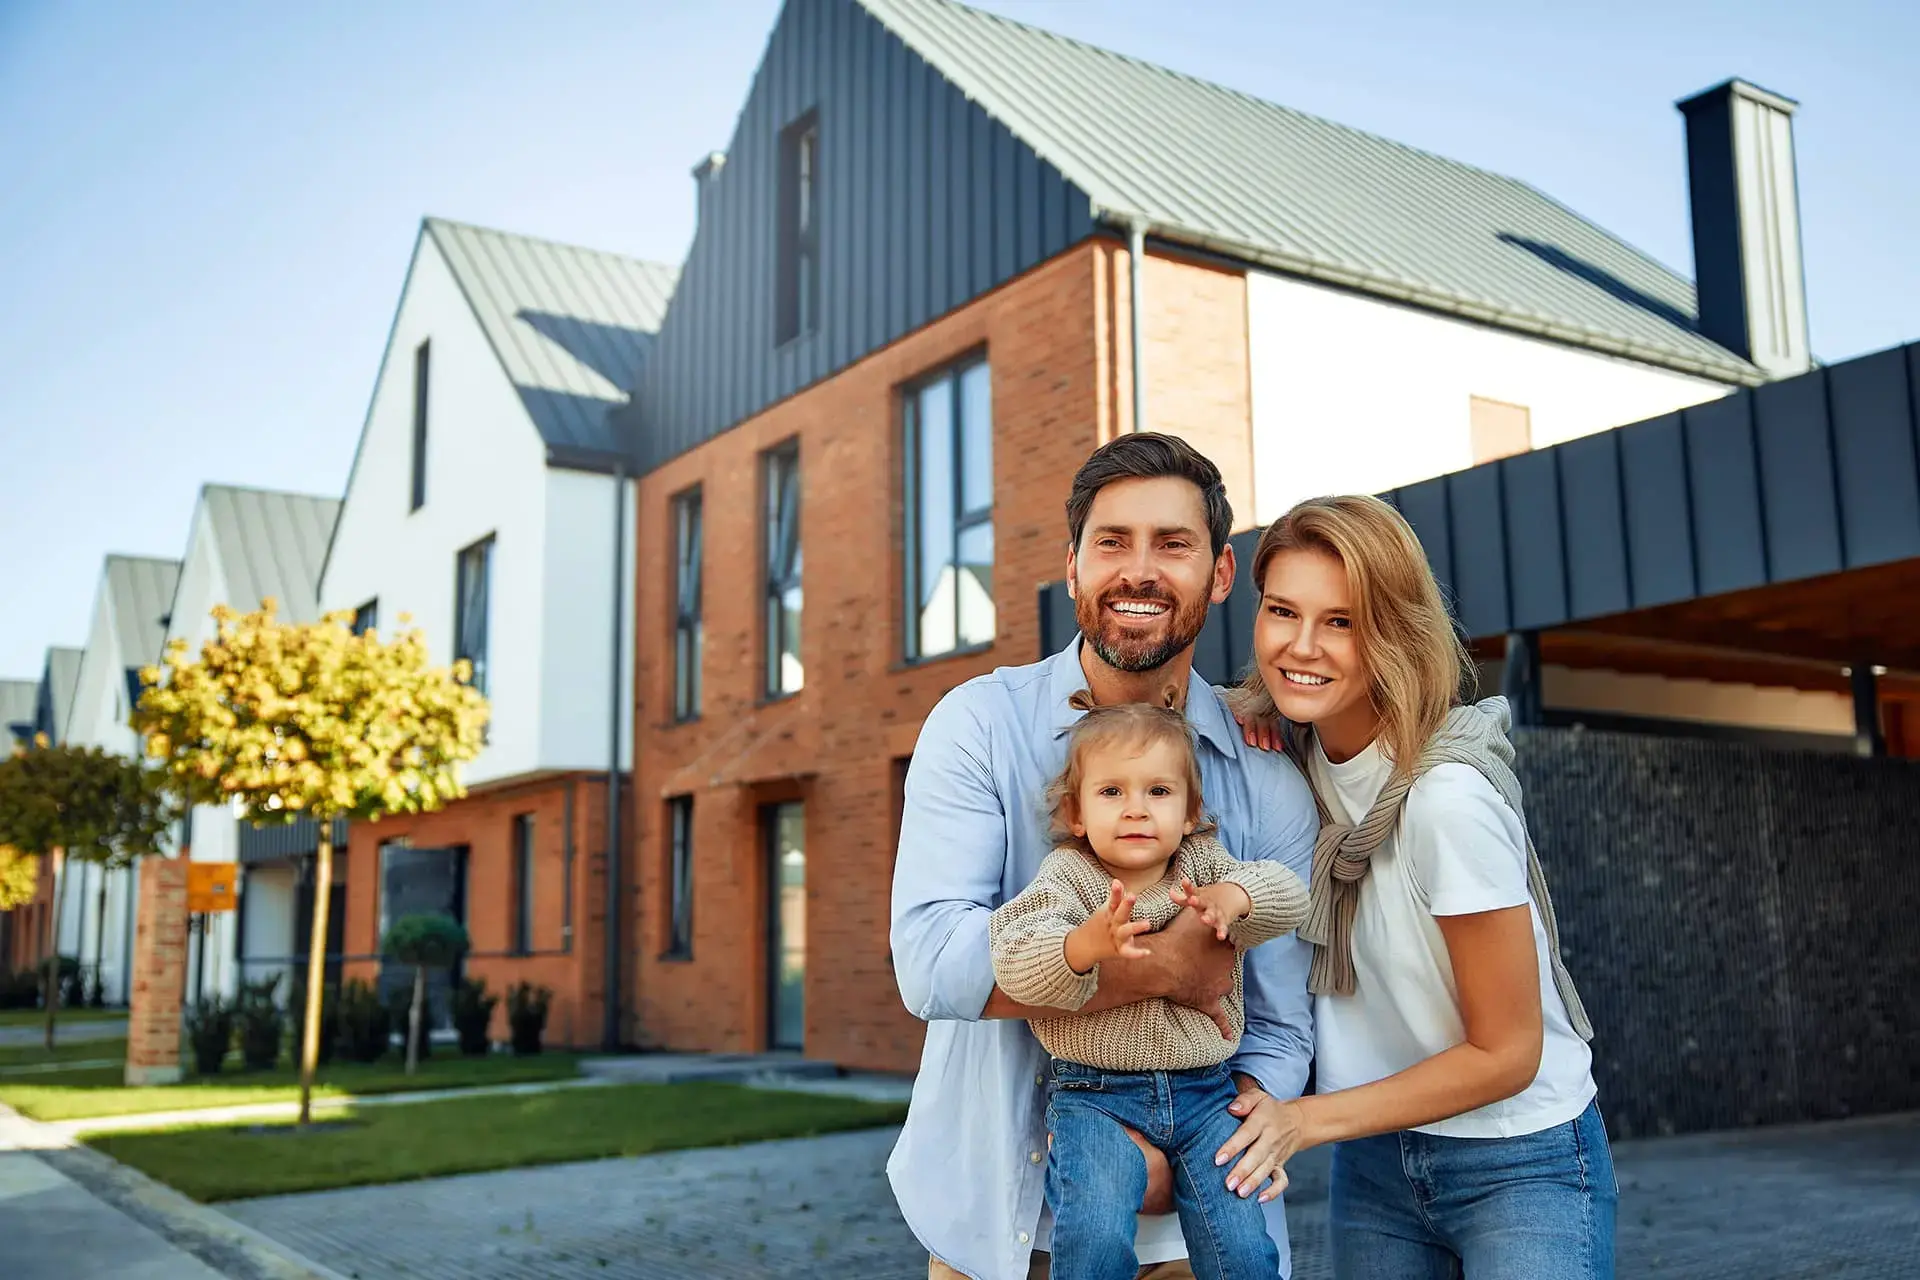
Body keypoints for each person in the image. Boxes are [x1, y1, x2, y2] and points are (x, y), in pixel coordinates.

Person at [889, 433, 1320, 1280]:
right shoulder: (979, 725)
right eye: (1112, 542)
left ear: (1222, 573)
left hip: (1198, 1232)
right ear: (1075, 567)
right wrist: (1170, 967)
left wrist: (1175, 1156)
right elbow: (934, 966)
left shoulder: (1265, 773)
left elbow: (1279, 1028)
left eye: (1173, 544)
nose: (1139, 570)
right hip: (992, 1224)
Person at [1223, 494, 1615, 1278]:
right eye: (1282, 612)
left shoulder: (1446, 800)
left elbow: (1508, 1052)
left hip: (1519, 1158)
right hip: (1372, 1161)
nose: (1302, 645)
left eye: (1341, 621)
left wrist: (1303, 1119)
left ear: (1393, 632)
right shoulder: (1283, 772)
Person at [989, 693, 1311, 1280]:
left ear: (1189, 812)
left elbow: (1289, 893)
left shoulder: (1203, 865)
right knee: (1093, 1232)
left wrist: (1235, 899)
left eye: (1158, 792)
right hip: (1096, 1096)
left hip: (1207, 1095)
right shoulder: (1069, 877)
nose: (1136, 810)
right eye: (1113, 792)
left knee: (1241, 1243)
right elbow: (1014, 955)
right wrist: (1084, 947)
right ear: (1077, 813)